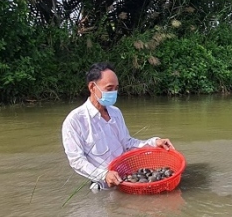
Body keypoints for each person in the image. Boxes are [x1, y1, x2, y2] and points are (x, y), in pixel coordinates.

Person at [62, 62, 175, 191]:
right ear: (92, 87)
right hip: (103, 188)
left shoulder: (115, 113)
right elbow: (76, 161)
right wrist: (104, 175)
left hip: (128, 179)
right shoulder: (75, 121)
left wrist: (154, 142)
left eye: (116, 88)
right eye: (109, 88)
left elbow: (127, 143)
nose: (114, 93)